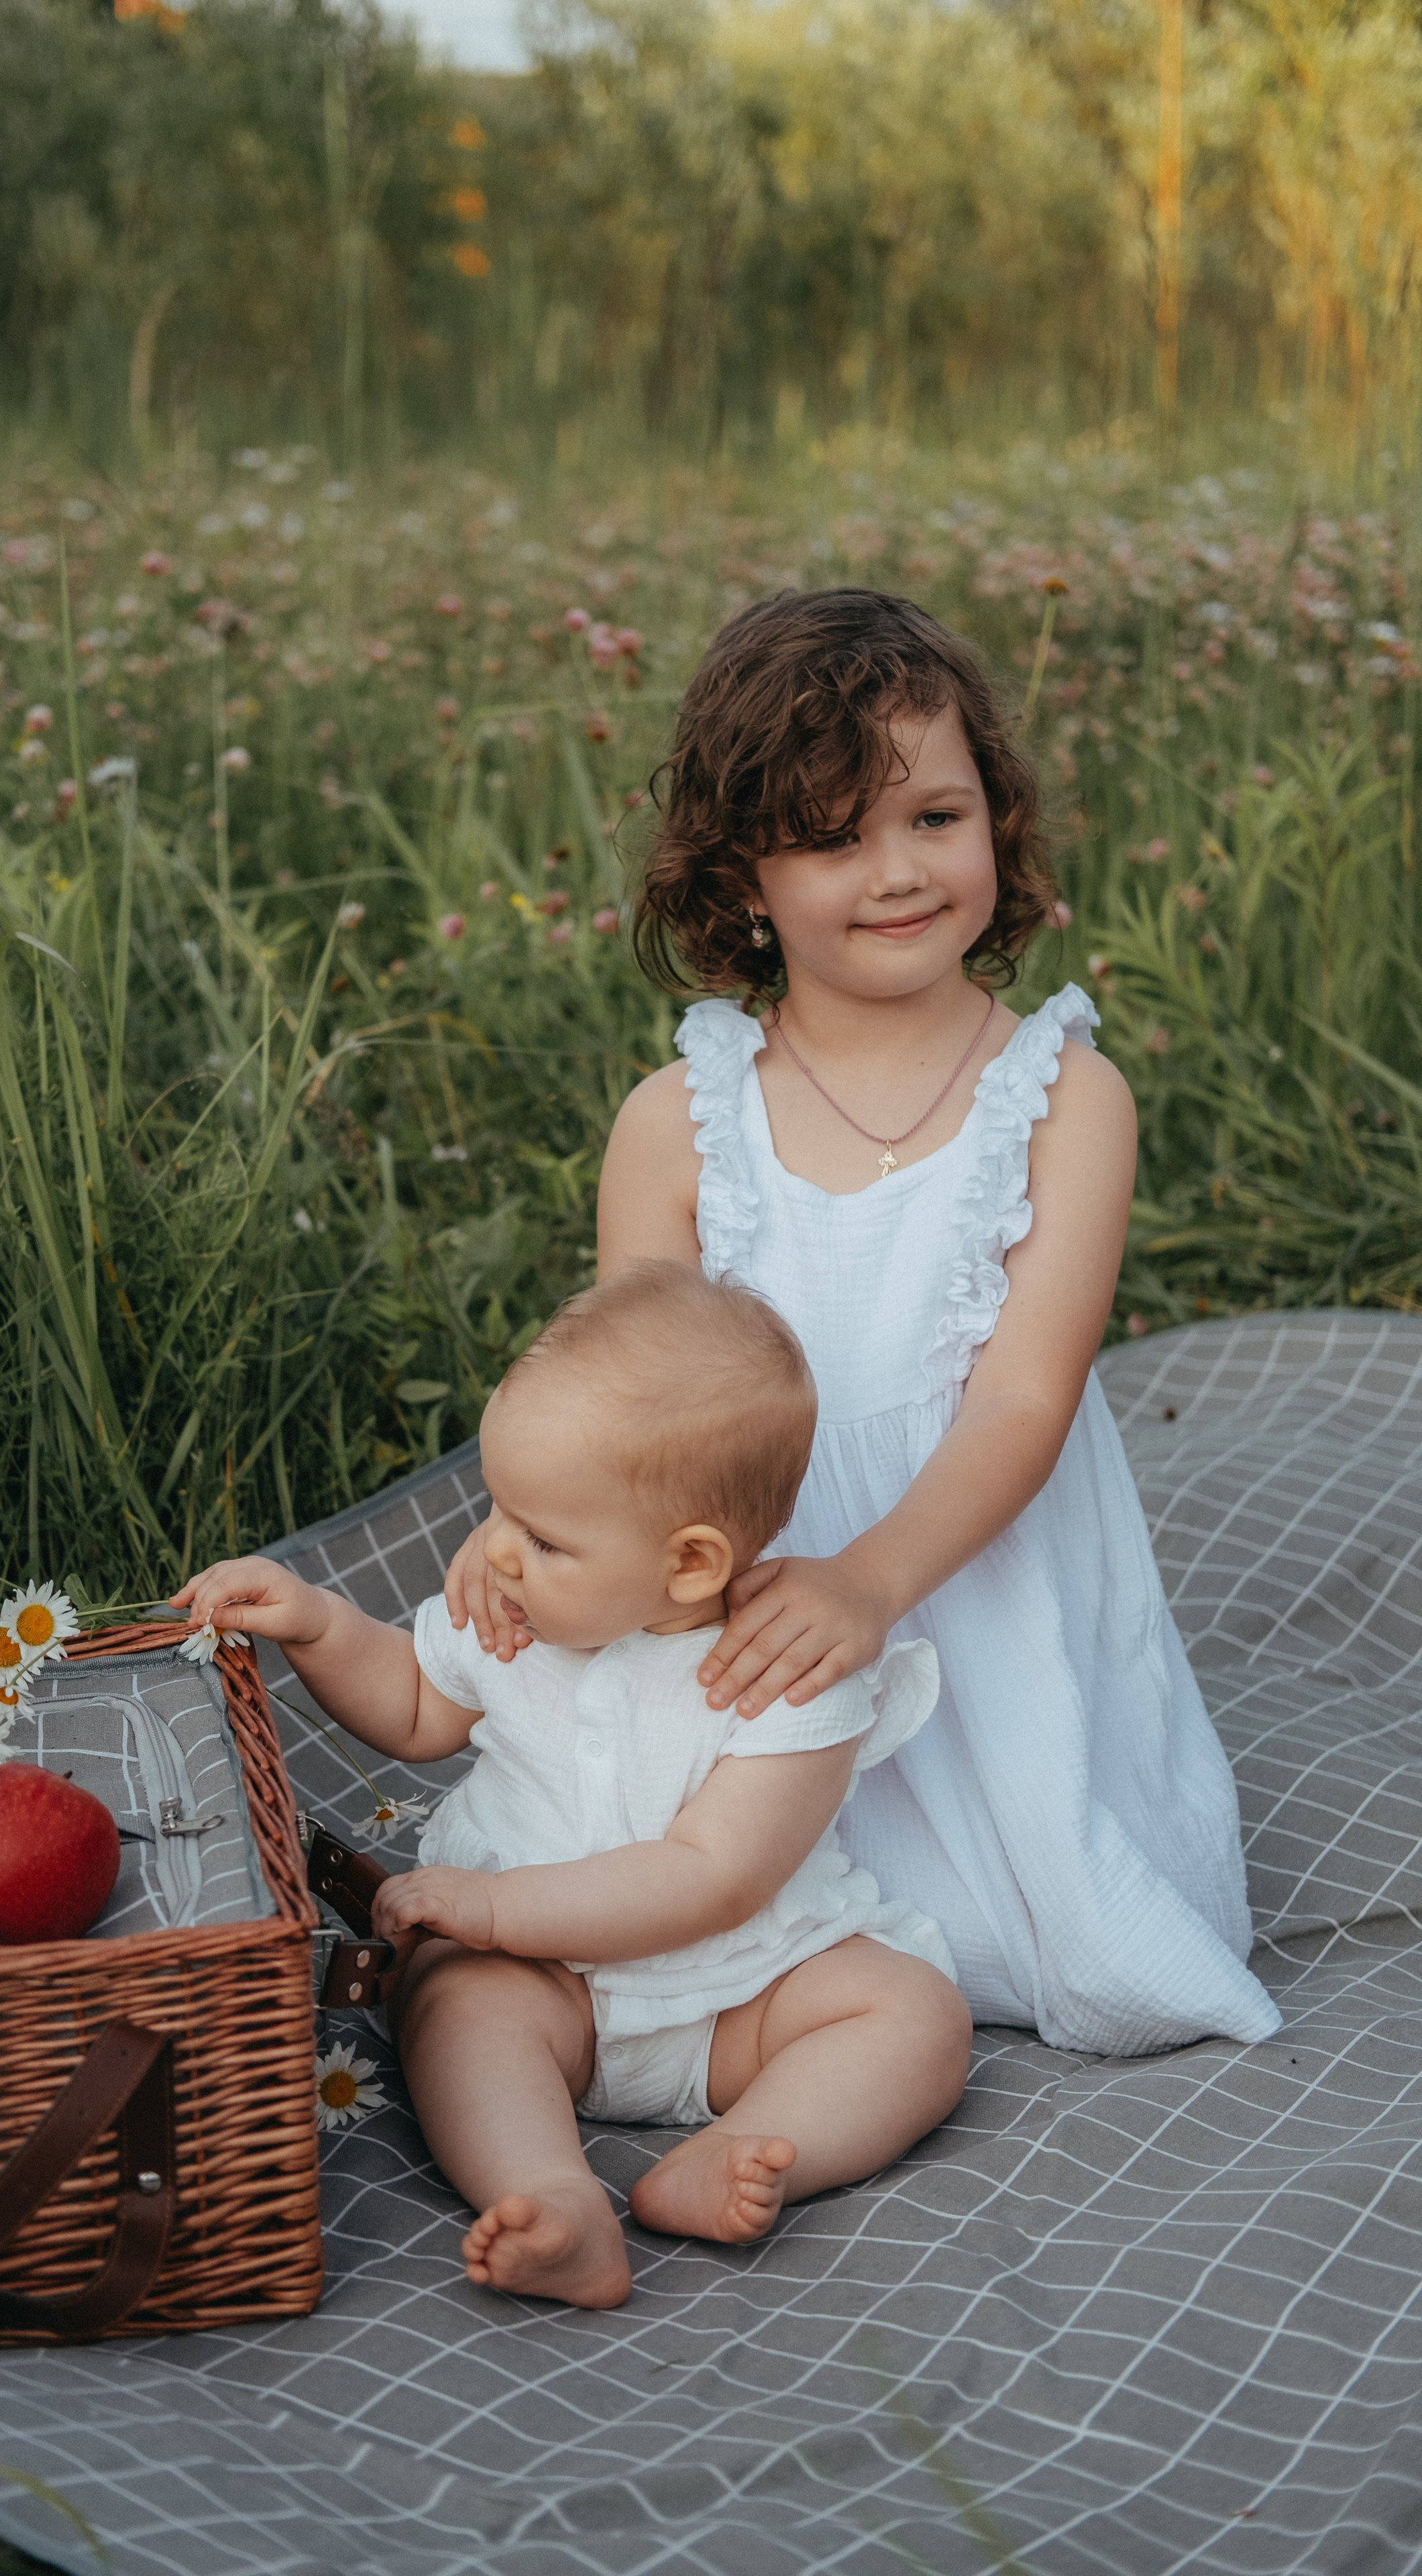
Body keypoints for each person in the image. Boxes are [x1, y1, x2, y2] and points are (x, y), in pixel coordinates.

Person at [448, 586, 1279, 2059]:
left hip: (964, 1570)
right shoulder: (680, 1123)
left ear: (996, 824)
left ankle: (976, 1897)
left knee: (1025, 1947)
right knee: (704, 1890)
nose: (893, 872)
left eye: (933, 819)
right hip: (738, 1597)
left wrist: (868, 1584)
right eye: (830, 839)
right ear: (742, 878)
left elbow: (1021, 1402)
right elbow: (620, 1402)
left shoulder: (1059, 1099)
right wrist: (521, 1529)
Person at [176, 1263, 970, 2310]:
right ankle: (554, 2197)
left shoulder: (785, 1673)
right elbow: (415, 1707)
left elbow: (713, 1878)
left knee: (915, 2015)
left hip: (742, 1995)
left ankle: (755, 2141)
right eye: (497, 1509)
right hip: (546, 1990)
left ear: (690, 1565)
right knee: (454, 2004)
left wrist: (496, 1907)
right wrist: (322, 1627)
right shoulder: (517, 1616)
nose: (494, 1552)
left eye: (542, 1536)